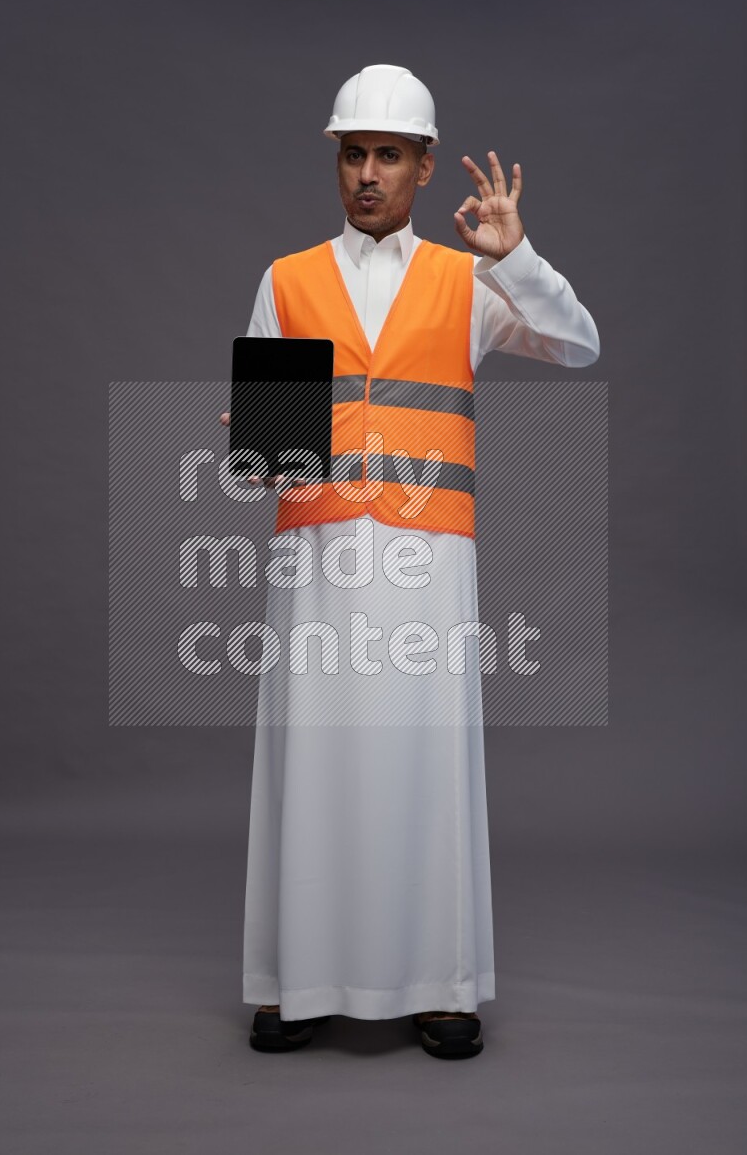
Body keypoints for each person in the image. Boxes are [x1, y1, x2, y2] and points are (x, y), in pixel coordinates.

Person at [220, 65, 600, 1059]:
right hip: (316, 551)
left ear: (425, 167)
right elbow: (268, 456)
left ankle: (439, 985)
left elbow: (576, 345)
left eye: (389, 154)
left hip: (427, 559)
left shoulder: (470, 278)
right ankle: (300, 980)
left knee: (425, 760)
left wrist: (517, 260)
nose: (368, 173)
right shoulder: (287, 278)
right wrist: (253, 442)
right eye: (354, 153)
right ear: (336, 160)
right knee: (309, 756)